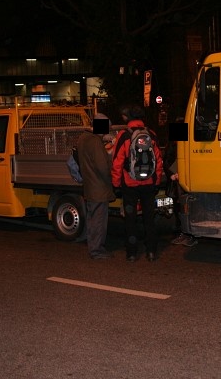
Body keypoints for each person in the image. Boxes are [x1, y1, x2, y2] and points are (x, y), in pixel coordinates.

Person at [111, 104, 164, 262]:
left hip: (130, 184)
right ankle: (151, 252)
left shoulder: (124, 135)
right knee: (149, 218)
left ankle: (132, 253)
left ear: (128, 118)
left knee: (130, 220)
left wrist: (116, 184)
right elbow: (158, 160)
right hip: (148, 184)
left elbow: (117, 162)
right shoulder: (151, 134)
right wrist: (157, 182)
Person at [77, 112, 116, 260]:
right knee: (99, 220)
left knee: (92, 219)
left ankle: (93, 246)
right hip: (99, 187)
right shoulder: (94, 141)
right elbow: (102, 167)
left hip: (89, 185)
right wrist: (112, 176)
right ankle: (97, 250)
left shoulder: (83, 138)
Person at [163, 121, 197, 247]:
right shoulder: (175, 145)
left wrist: (174, 174)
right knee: (180, 208)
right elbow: (167, 161)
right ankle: (183, 233)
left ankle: (186, 234)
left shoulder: (180, 145)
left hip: (180, 181)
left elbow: (167, 161)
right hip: (176, 181)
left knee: (183, 208)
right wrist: (172, 174)